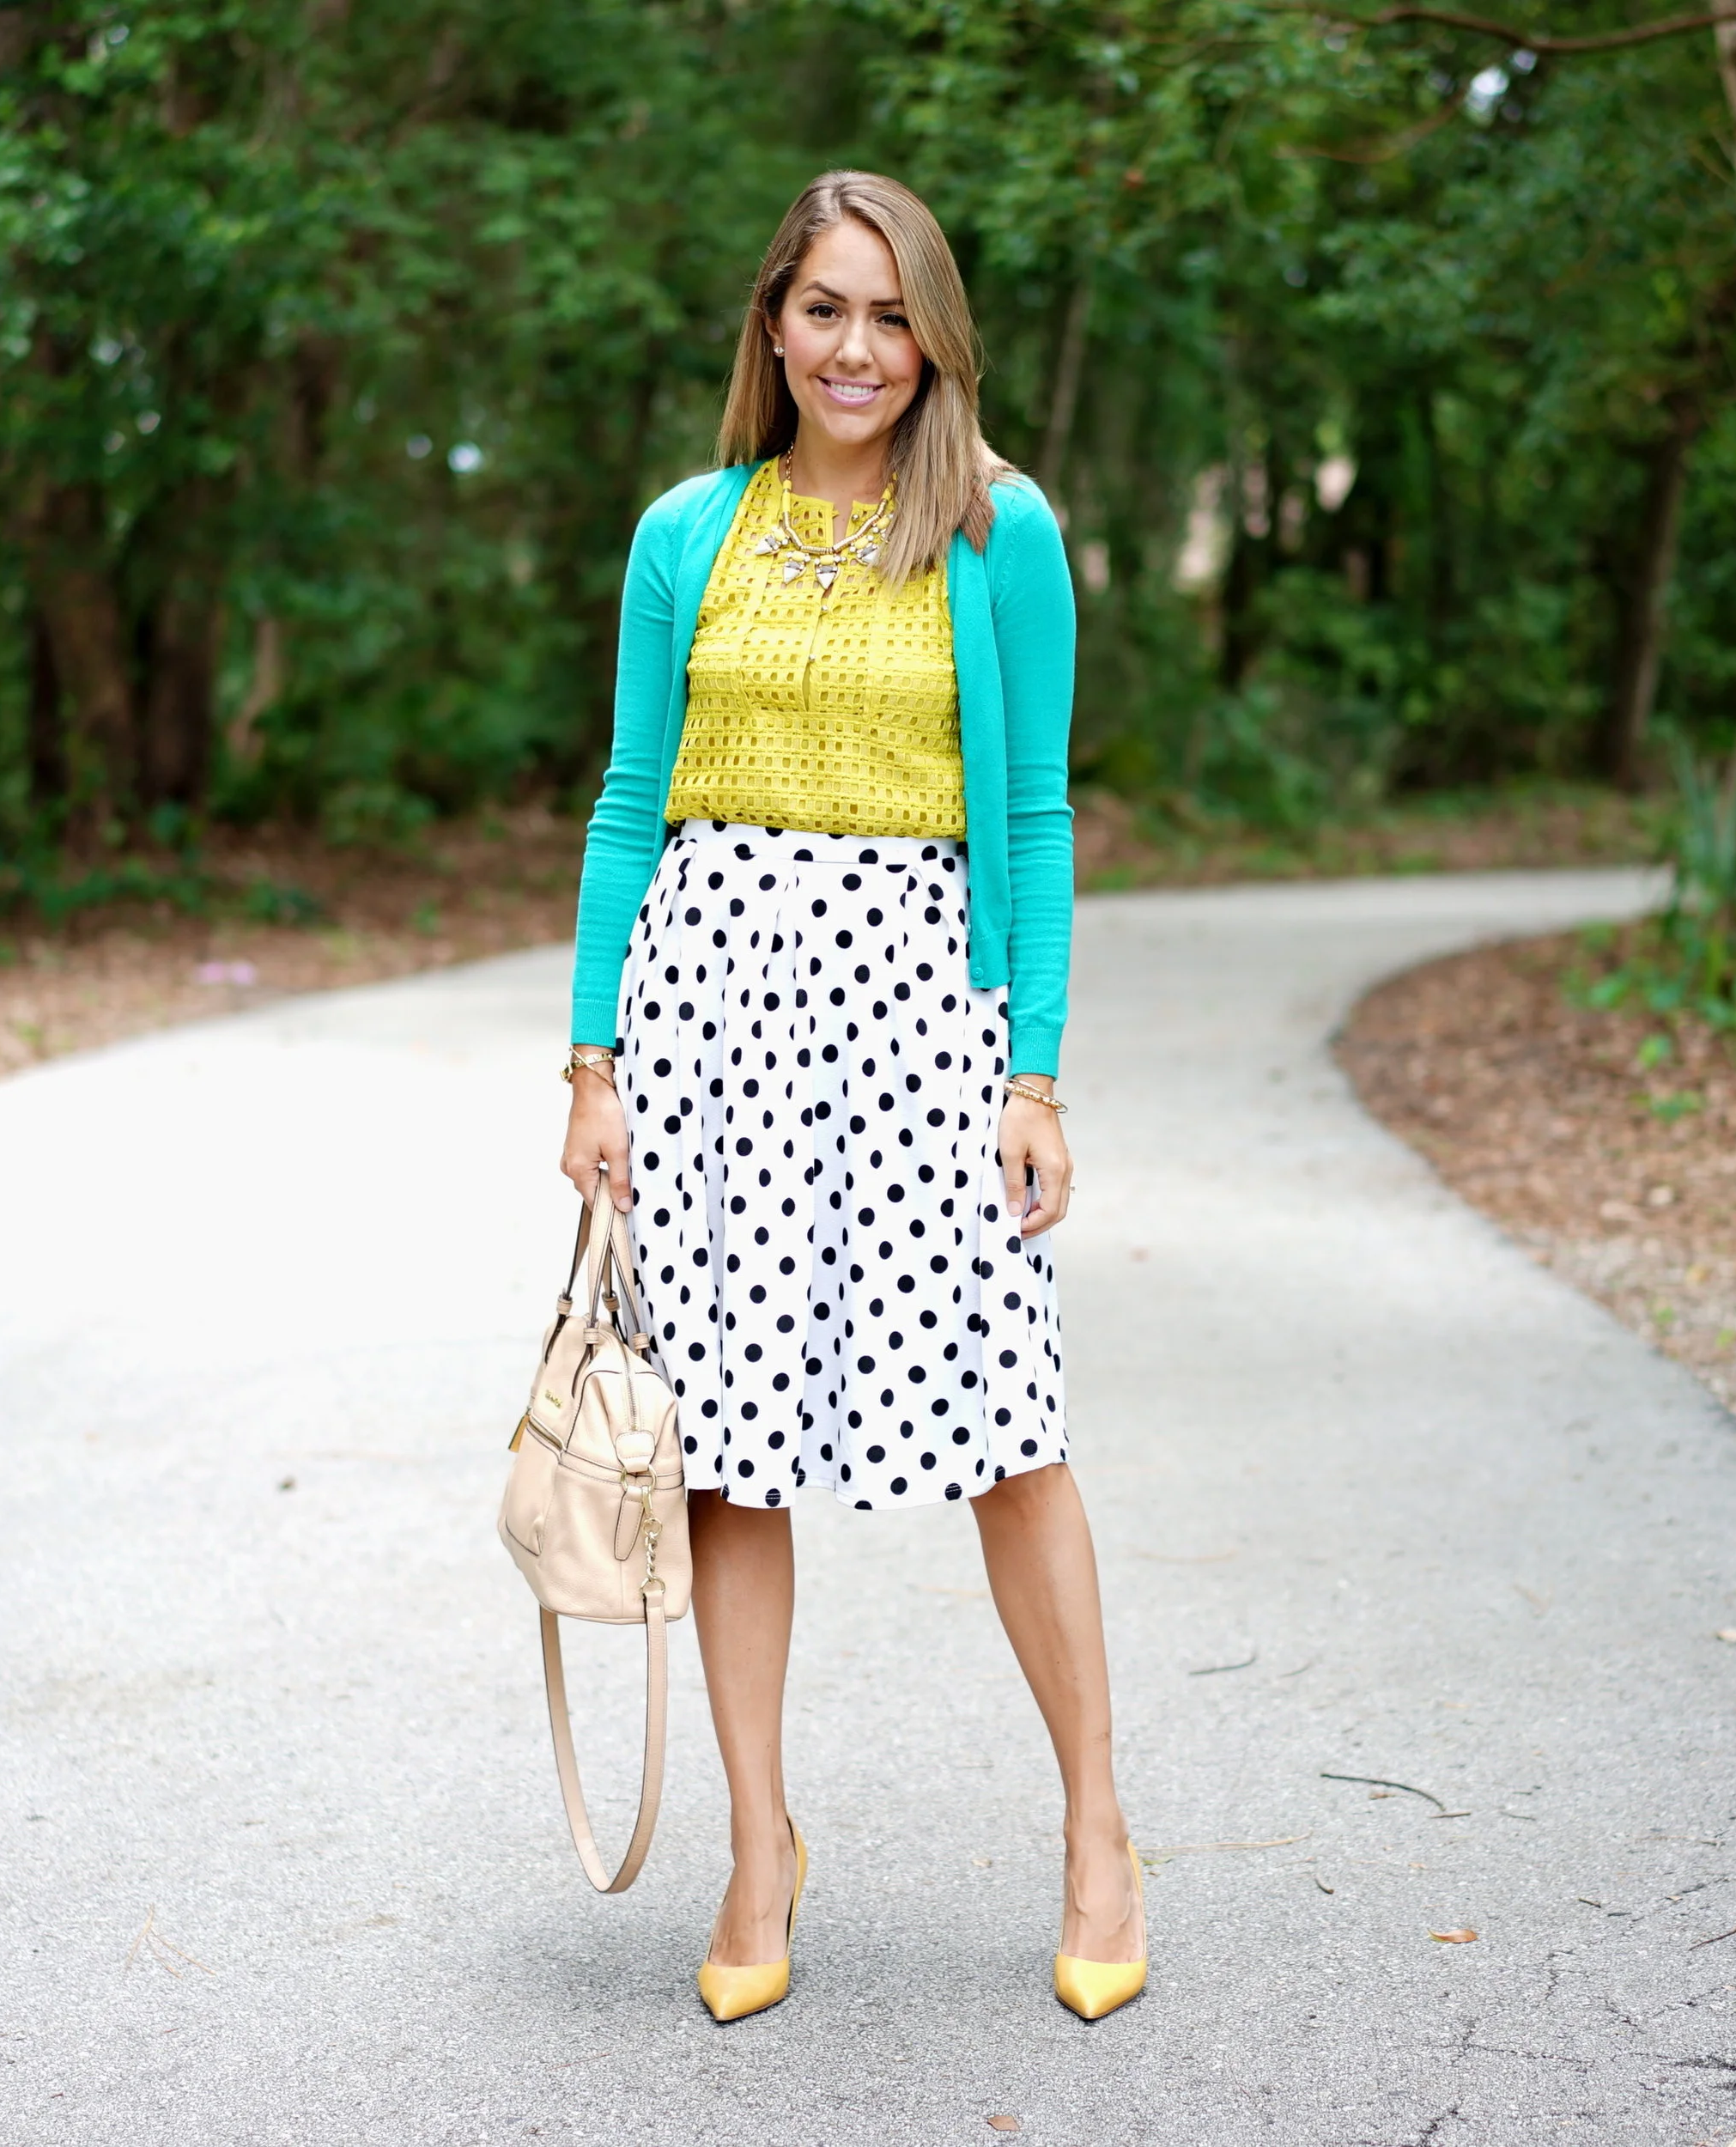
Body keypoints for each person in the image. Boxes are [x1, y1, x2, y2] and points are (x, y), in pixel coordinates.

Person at [559, 169, 1142, 2024]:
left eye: (891, 315)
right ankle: (755, 1844)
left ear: (935, 337)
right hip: (708, 1022)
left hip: (918, 1016)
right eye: (824, 308)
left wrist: (1033, 1070)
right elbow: (628, 801)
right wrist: (591, 1060)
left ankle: (1096, 1829)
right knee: (724, 1447)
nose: (856, 348)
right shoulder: (685, 530)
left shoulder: (997, 525)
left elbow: (1033, 809)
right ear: (772, 323)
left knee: (1005, 1424)